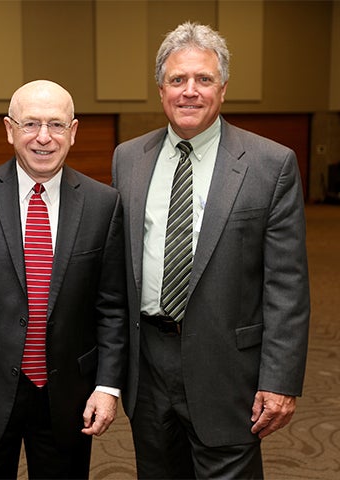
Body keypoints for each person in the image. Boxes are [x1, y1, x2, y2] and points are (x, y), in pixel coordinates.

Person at [112, 21, 310, 478]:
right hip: (148, 365)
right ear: (161, 89)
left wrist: (279, 381)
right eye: (177, 79)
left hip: (229, 370)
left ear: (223, 88)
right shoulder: (128, 159)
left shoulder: (270, 163)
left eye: (203, 79)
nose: (190, 91)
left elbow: (287, 284)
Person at [0, 79, 128, 479]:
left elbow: (112, 307)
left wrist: (107, 387)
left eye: (56, 125)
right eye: (30, 124)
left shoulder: (103, 204)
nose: (43, 138)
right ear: (9, 129)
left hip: (68, 394)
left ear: (73, 132)